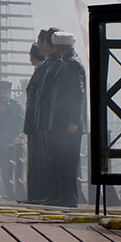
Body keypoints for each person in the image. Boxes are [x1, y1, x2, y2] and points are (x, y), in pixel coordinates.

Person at [41, 31, 85, 207]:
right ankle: (58, 195)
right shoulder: (66, 63)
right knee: (59, 160)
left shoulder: (72, 65)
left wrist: (74, 121)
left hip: (68, 124)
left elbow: (78, 95)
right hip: (61, 122)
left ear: (58, 47)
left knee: (67, 162)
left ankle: (68, 197)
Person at [23, 29, 58, 203]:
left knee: (44, 162)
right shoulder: (44, 68)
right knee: (36, 162)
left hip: (44, 122)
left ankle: (42, 195)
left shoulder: (52, 66)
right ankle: (36, 195)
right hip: (37, 122)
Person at [0, 81, 24, 199]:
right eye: (0, 92)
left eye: (4, 92)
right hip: (1, 142)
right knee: (5, 168)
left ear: (9, 92)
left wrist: (18, 136)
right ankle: (8, 191)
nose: (2, 94)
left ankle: (19, 191)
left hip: (14, 141)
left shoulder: (15, 105)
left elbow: (21, 122)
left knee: (17, 168)